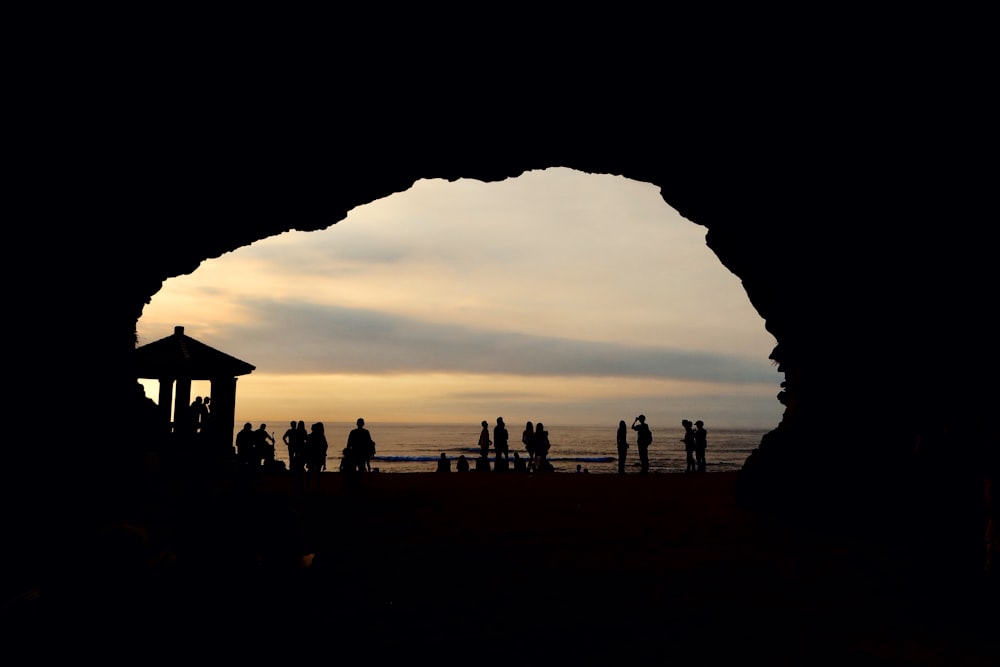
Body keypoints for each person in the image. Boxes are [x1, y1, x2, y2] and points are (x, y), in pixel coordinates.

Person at [305, 422, 328, 490]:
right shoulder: (321, 436)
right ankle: (316, 486)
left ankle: (308, 485)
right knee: (317, 472)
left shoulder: (310, 436)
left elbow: (306, 447)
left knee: (310, 471)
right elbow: (325, 446)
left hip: (312, 456)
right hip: (319, 456)